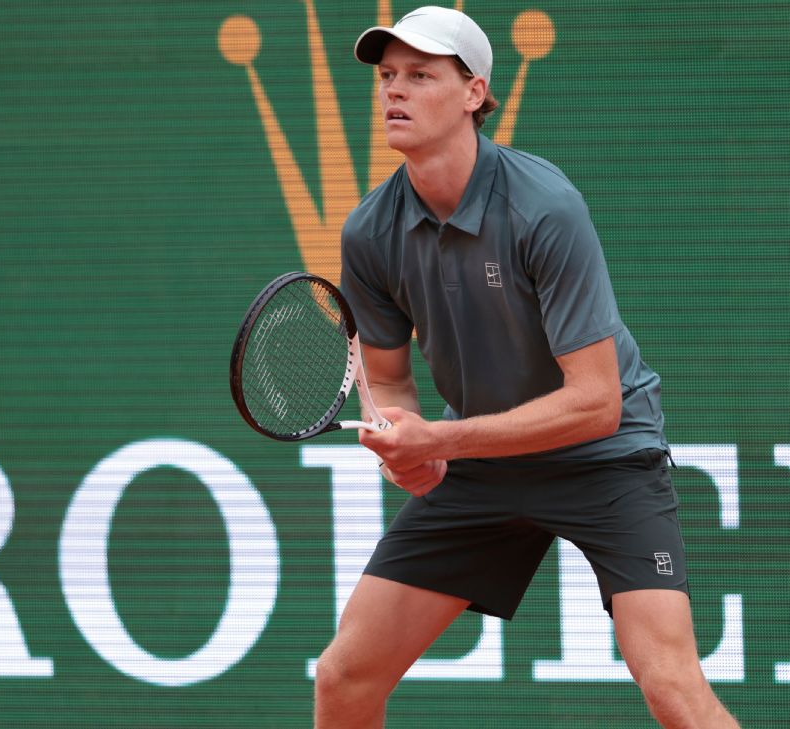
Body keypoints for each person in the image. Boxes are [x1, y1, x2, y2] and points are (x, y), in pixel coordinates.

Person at [314, 7, 740, 728]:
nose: (395, 91)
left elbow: (597, 403)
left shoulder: (543, 207)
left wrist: (442, 441)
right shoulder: (370, 232)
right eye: (387, 76)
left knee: (672, 687)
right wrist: (403, 441)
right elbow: (385, 378)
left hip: (605, 458)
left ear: (474, 93)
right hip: (481, 468)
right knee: (344, 677)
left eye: (420, 75)